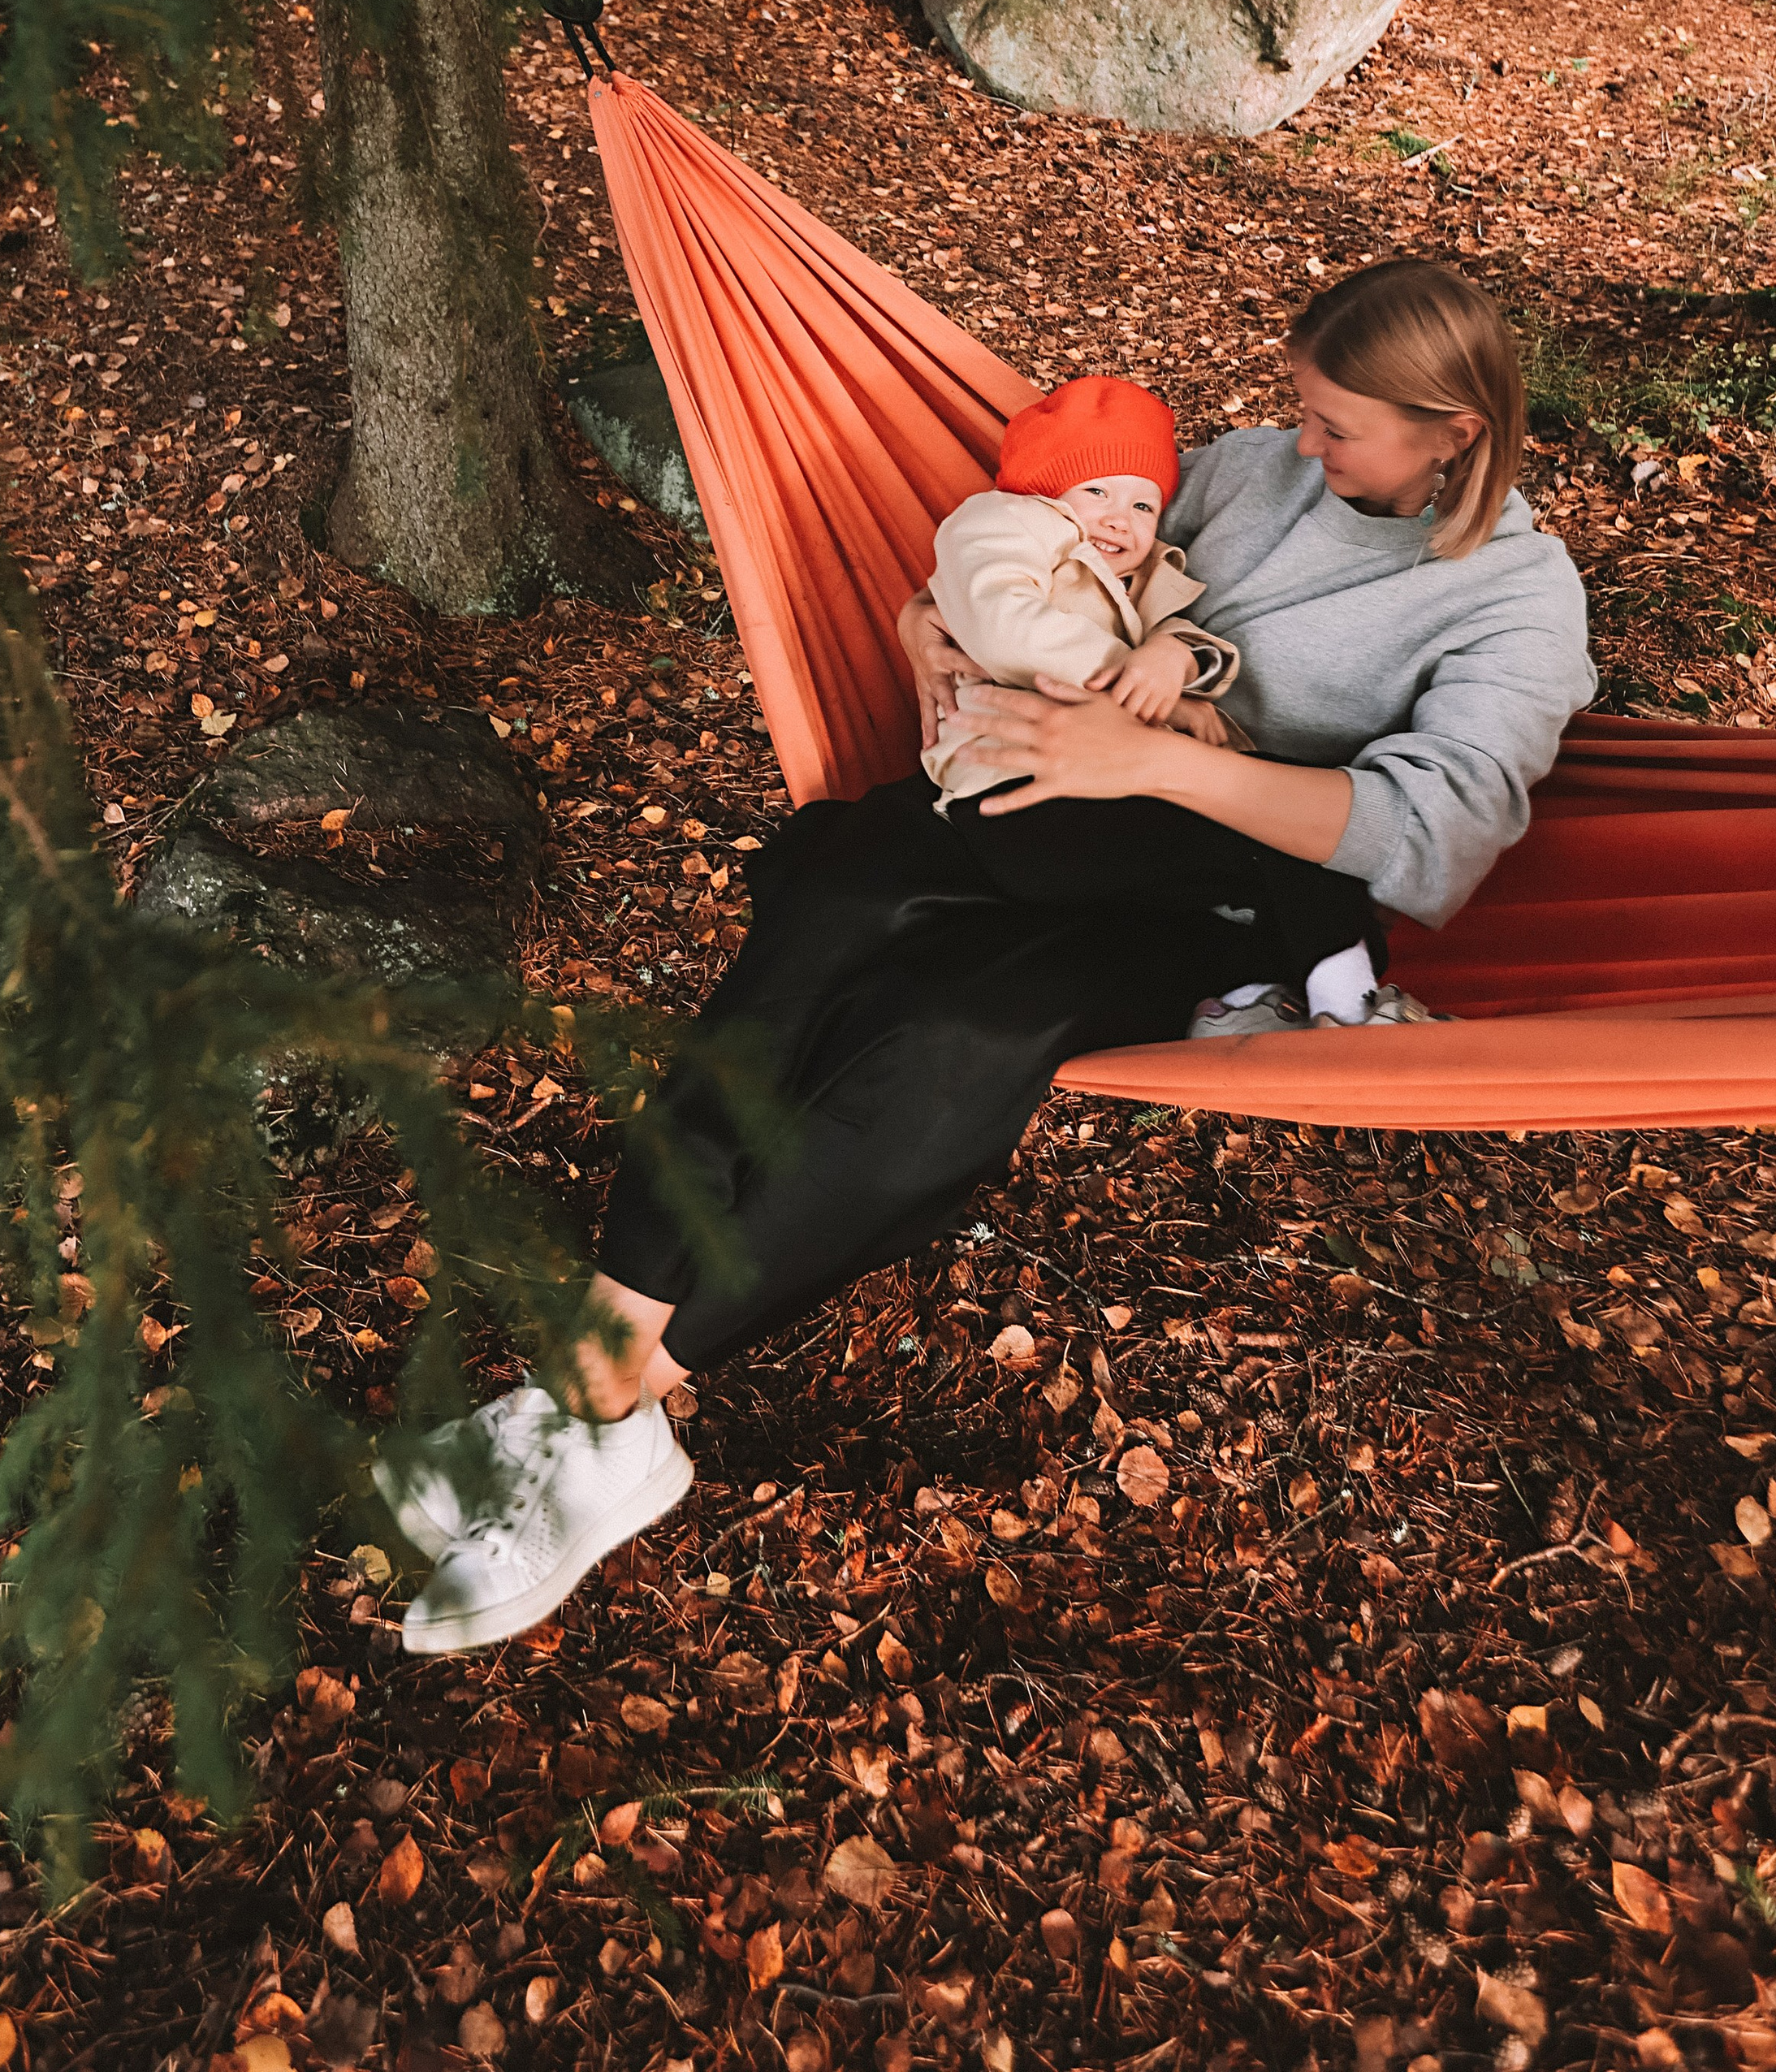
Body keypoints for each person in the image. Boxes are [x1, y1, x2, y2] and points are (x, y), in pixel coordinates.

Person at [379, 257, 1596, 1655]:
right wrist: (918, 640)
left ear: (1455, 433)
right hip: (1023, 790)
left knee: (948, 1033)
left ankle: (590, 1403)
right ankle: (604, 1404)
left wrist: (1154, 760)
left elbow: (1434, 839)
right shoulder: (1259, 470)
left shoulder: (1514, 600)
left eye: (1337, 428)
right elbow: (1056, 545)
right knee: (824, 906)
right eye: (1299, 412)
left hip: (1213, 893)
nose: (1297, 450)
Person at [923, 369, 1385, 1034]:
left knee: (1285, 827)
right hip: (1016, 795)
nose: (1122, 516)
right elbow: (1003, 622)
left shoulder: (1141, 573)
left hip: (1109, 791)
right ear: (1051, 488)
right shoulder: (1003, 523)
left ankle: (1248, 1001)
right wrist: (1146, 696)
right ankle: (1350, 1010)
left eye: (1144, 504)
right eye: (1097, 490)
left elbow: (1173, 630)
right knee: (1270, 822)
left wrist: (1177, 657)